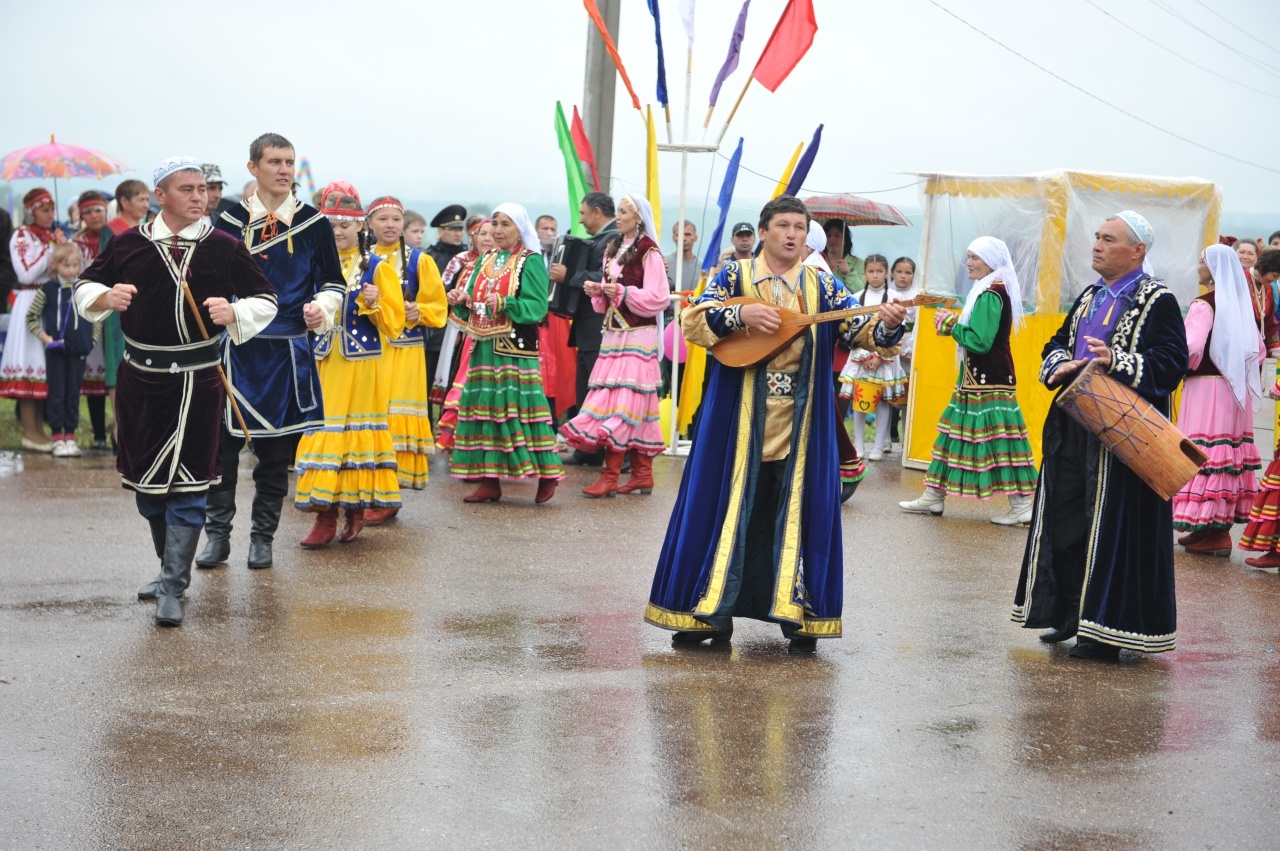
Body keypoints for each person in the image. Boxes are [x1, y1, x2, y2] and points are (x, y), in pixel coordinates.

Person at [645, 195, 906, 653]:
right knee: (726, 504)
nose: (791, 234)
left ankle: (797, 613)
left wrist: (887, 324)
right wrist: (740, 313)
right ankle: (707, 613)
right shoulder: (734, 276)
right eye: (783, 225)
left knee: (794, 509)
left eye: (800, 228)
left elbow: (861, 333)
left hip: (801, 421)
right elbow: (693, 322)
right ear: (763, 232)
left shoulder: (822, 285)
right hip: (737, 418)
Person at [73, 156, 278, 626]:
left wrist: (236, 313)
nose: (198, 197)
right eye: (186, 189)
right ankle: (170, 569)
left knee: (189, 483)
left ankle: (173, 586)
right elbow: (85, 284)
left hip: (199, 380)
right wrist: (104, 298)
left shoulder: (224, 246)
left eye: (202, 189)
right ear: (160, 196)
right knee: (149, 486)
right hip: (140, 382)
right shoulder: (128, 245)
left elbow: (265, 297)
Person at [1013, 211, 1188, 660]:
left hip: (1123, 437)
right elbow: (1055, 342)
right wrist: (1061, 365)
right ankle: (1069, 615)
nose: (1097, 245)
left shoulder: (1157, 299)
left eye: (1108, 239)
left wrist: (1117, 361)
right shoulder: (1090, 294)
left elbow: (1172, 362)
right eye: (1096, 237)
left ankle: (1106, 629)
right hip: (1074, 425)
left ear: (1137, 251)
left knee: (1112, 528)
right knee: (1068, 519)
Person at [203, 132, 345, 571]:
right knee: (221, 451)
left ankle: (262, 538)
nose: (284, 170)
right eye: (274, 162)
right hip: (235, 349)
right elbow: (209, 283)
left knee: (276, 455)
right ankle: (218, 537)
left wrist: (322, 308)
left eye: (289, 161)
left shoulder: (314, 223)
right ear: (253, 168)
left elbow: (334, 283)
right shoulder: (226, 222)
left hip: (288, 351)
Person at [294, 183, 405, 547]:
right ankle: (324, 516)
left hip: (361, 368)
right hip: (325, 363)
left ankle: (355, 509)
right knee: (324, 433)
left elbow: (395, 324)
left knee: (355, 436)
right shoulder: (313, 265)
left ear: (361, 227)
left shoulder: (377, 267)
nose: (338, 232)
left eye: (345, 225)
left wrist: (374, 303)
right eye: (331, 226)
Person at [899, 237, 1038, 524]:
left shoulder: (990, 293)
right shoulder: (987, 289)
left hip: (990, 379)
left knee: (1002, 441)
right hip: (977, 378)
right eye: (968, 257)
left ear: (990, 260)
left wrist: (951, 326)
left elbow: (981, 341)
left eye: (975, 257)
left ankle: (1022, 505)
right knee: (954, 435)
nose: (969, 263)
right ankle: (933, 496)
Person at [446, 203, 565, 504]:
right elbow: (473, 298)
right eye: (495, 224)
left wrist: (506, 304)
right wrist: (462, 298)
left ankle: (548, 474)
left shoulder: (530, 261)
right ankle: (489, 480)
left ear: (520, 229)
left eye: (505, 225)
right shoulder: (486, 259)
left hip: (515, 349)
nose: (497, 231)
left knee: (522, 415)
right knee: (485, 412)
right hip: (484, 346)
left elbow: (537, 308)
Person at [560, 194, 668, 496]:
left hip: (637, 334)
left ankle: (611, 474)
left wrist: (619, 291)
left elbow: (657, 298)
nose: (618, 217)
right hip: (613, 334)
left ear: (639, 218)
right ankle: (642, 474)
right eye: (618, 212)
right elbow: (609, 298)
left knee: (626, 401)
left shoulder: (649, 252)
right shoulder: (613, 248)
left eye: (624, 212)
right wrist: (599, 291)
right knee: (624, 400)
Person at [1172, 244, 1264, 555]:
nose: (1198, 268)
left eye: (1202, 263)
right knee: (1227, 452)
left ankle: (1211, 530)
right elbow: (1259, 350)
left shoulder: (1204, 304)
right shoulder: (1240, 304)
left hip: (1206, 390)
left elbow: (1191, 346)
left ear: (1213, 270)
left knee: (1203, 451)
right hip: (1234, 391)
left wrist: (1174, 366)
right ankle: (1213, 529)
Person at [362, 196, 448, 515]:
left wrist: (418, 310)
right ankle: (367, 487)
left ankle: (390, 495)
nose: (390, 226)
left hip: (404, 349)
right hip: (368, 349)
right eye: (382, 219)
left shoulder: (418, 260)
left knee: (394, 418)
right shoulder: (361, 258)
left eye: (396, 220)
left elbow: (438, 307)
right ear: (369, 224)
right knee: (370, 416)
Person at [551, 192, 618, 462]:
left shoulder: (613, 239)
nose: (581, 219)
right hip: (587, 326)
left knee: (596, 389)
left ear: (597, 212)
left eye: (583, 213)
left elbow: (608, 276)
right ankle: (586, 447)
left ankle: (595, 449)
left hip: (598, 326)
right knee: (586, 387)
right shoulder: (602, 238)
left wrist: (570, 276)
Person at [3, 188, 63, 451]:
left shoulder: (50, 236)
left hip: (48, 305)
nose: (50, 215)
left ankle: (38, 430)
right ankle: (30, 431)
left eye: (52, 209)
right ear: (31, 211)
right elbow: (25, 273)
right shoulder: (21, 235)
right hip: (30, 304)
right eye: (44, 210)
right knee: (31, 365)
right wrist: (51, 251)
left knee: (43, 368)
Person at [27, 243, 95, 457]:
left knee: (73, 392)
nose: (72, 270)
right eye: (67, 266)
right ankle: (57, 436)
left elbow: (96, 317)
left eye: (76, 265)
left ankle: (71, 436)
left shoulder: (83, 288)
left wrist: (91, 341)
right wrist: (45, 338)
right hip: (55, 350)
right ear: (55, 265)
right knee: (57, 392)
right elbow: (30, 318)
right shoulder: (47, 289)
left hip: (78, 350)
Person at [839, 255, 906, 460]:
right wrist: (866, 355)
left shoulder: (895, 297)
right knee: (860, 399)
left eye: (879, 271)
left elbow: (899, 331)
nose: (874, 275)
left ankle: (878, 445)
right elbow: (853, 331)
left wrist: (878, 355)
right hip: (860, 357)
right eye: (870, 271)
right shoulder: (857, 296)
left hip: (885, 359)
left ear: (887, 273)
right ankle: (858, 443)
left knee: (883, 401)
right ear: (865, 273)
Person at [435, 219, 493, 451]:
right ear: (474, 238)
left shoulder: (510, 265)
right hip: (470, 336)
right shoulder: (469, 266)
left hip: (499, 336)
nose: (487, 238)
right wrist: (458, 301)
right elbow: (458, 308)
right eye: (482, 233)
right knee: (465, 385)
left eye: (492, 233)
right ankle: (462, 442)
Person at [71, 191, 113, 449]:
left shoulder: (118, 235)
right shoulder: (75, 243)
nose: (94, 215)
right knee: (94, 370)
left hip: (118, 306)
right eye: (88, 211)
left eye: (98, 209)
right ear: (81, 215)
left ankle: (120, 429)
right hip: (92, 307)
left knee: (117, 371)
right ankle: (98, 434)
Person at [423, 204, 468, 387]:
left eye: (460, 229)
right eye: (452, 229)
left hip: (460, 328)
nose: (458, 234)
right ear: (440, 231)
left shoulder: (469, 257)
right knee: (427, 379)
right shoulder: (429, 258)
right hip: (436, 331)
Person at [822, 219, 865, 292]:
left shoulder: (859, 263)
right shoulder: (818, 261)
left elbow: (861, 292)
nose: (832, 239)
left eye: (837, 236)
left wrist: (848, 274)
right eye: (828, 235)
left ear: (845, 239)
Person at [664, 220, 700, 296]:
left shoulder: (703, 267)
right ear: (674, 238)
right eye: (679, 235)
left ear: (695, 238)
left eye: (688, 234)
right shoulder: (663, 262)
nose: (683, 238)